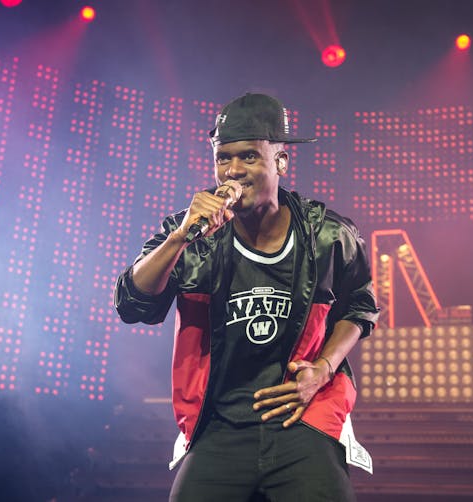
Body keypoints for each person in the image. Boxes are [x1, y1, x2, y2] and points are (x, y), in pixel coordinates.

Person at [114, 93, 379, 501]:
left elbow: (360, 308)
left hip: (301, 420)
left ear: (281, 161)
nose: (232, 172)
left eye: (249, 158)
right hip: (219, 426)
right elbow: (133, 304)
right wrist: (180, 238)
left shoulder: (329, 235)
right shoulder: (190, 235)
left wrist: (324, 369)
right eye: (223, 158)